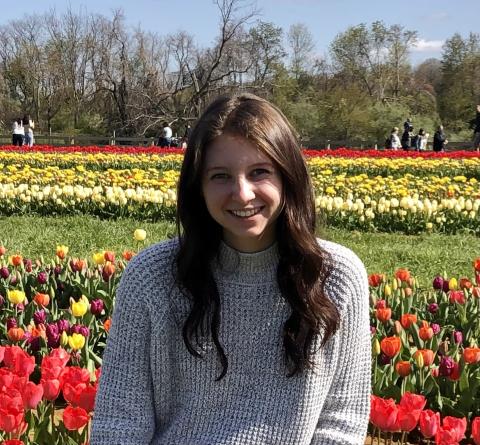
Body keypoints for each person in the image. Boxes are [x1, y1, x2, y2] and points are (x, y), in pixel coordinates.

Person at [91, 93, 371, 445]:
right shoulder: (153, 277)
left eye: (259, 172)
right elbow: (119, 424)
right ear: (199, 187)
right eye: (220, 176)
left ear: (288, 176)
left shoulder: (337, 278)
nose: (242, 194)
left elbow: (341, 423)